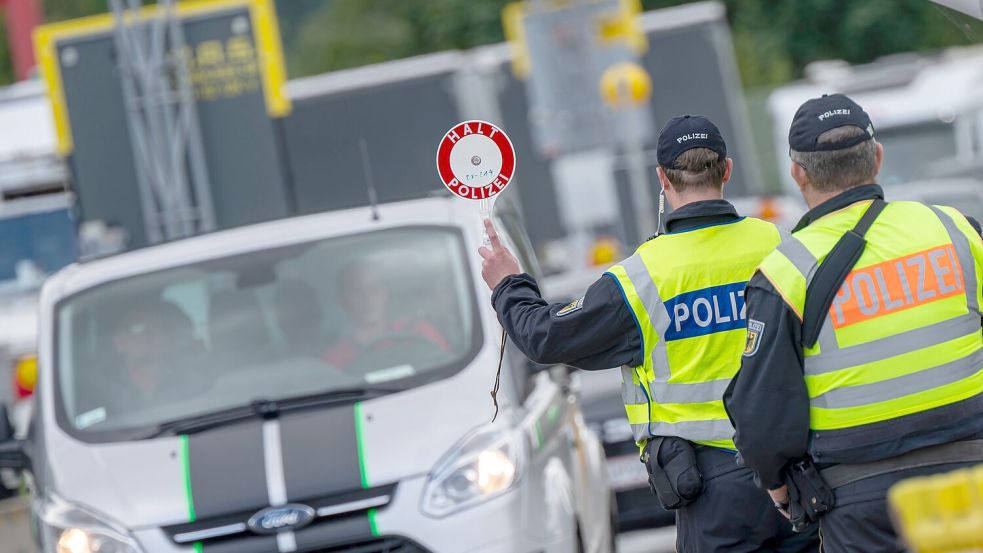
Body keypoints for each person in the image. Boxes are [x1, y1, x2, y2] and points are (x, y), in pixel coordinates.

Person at [479, 115, 818, 553]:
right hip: (795, 475)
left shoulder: (642, 278)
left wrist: (509, 283)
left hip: (712, 493)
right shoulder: (779, 245)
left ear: (661, 178)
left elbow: (545, 337)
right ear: (727, 170)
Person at [725, 93, 983, 552]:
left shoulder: (786, 272)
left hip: (864, 500)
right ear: (877, 157)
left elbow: (762, 407)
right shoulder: (956, 230)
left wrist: (780, 489)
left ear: (797, 173)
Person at [324, 260, 449, 369]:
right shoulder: (335, 360)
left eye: (373, 289)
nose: (367, 297)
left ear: (385, 294)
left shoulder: (418, 331)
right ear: (342, 300)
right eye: (357, 290)